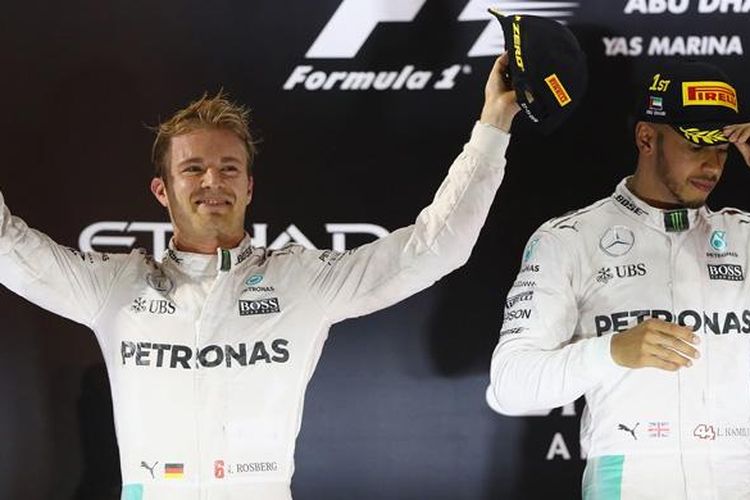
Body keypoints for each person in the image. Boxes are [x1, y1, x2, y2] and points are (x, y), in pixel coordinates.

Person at [0, 55, 518, 499]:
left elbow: (435, 246)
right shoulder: (115, 286)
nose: (212, 182)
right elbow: (8, 247)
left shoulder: (300, 280)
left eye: (229, 169)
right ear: (161, 190)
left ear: (248, 187)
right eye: (193, 168)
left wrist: (493, 123)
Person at [487, 60, 750, 499]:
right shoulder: (570, 239)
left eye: (722, 149)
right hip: (629, 478)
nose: (712, 165)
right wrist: (612, 352)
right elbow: (510, 387)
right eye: (696, 145)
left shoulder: (744, 236)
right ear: (647, 137)